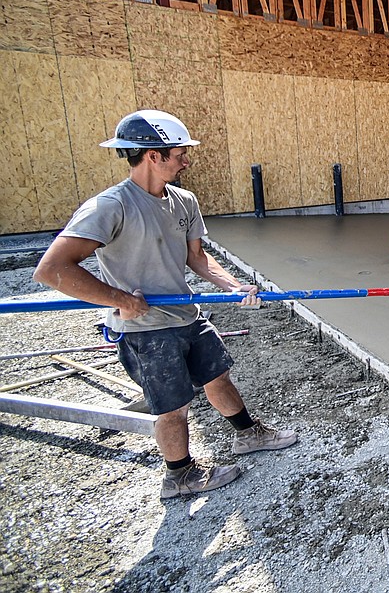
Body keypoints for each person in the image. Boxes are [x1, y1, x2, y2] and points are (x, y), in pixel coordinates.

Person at [33, 109, 297, 499]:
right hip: (145, 329)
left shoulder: (184, 201)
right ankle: (179, 475)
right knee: (172, 407)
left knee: (218, 377)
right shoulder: (110, 206)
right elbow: (52, 269)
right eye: (179, 153)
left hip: (187, 314)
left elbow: (197, 257)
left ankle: (247, 435)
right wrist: (119, 299)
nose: (186, 160)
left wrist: (232, 285)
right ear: (153, 155)